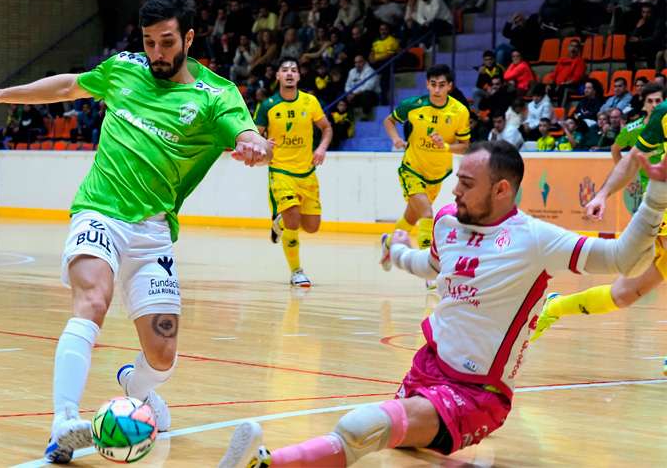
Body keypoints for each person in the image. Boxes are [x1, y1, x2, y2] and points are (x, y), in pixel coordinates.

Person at [0, 0, 273, 464]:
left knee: (163, 349)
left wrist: (254, 145)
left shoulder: (214, 95)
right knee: (92, 301)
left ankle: (136, 389)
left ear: (188, 37)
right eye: (149, 42)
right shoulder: (124, 69)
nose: (157, 53)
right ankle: (64, 424)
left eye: (166, 42)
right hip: (99, 210)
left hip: (153, 231)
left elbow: (244, 131)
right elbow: (67, 87)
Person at [219, 140, 667, 468]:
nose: (454, 192)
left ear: (502, 191)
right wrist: (395, 254)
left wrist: (656, 195)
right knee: (401, 447)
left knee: (361, 428)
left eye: (467, 184)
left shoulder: (535, 240)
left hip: (478, 394)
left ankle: (265, 464)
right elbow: (434, 266)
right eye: (457, 181)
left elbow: (624, 258)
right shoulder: (448, 221)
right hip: (427, 367)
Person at [533, 82, 667, 355]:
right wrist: (603, 194)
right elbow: (630, 159)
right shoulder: (663, 116)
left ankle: (555, 306)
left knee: (623, 295)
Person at [381, 64, 470, 284]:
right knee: (427, 214)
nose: (437, 89)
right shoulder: (413, 106)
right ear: (427, 84)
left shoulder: (459, 111)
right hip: (412, 168)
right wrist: (395, 139)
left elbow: (465, 145)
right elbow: (389, 121)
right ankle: (428, 272)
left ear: (449, 86)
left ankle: (389, 243)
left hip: (437, 174)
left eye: (442, 85)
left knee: (411, 217)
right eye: (433, 84)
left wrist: (446, 148)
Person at [255, 57, 333, 287]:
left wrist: (321, 148)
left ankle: (277, 224)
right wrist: (262, 143)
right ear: (277, 76)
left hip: (307, 174)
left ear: (299, 76)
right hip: (281, 172)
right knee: (292, 218)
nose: (289, 73)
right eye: (285, 70)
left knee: (312, 226)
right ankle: (296, 271)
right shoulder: (268, 105)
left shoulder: (310, 102)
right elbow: (254, 134)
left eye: (294, 70)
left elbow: (326, 128)